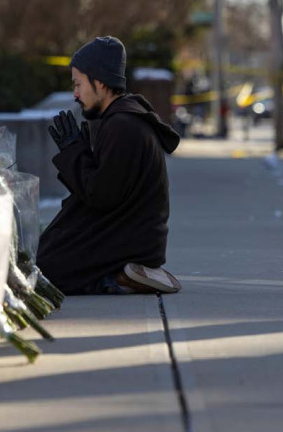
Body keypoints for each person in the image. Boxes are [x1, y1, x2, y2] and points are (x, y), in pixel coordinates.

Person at [36, 36, 182, 295]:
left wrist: (73, 151)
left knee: (47, 267)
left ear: (100, 82)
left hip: (134, 240)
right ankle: (121, 273)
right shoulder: (119, 120)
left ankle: (118, 278)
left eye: (79, 84)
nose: (75, 94)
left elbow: (101, 195)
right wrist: (77, 149)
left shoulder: (122, 126)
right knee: (48, 249)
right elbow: (103, 186)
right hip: (132, 233)